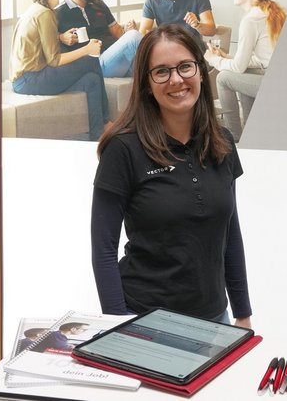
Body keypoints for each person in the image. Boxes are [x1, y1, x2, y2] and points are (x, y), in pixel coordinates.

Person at [90, 24, 252, 328]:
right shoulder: (123, 149)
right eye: (161, 71)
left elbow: (230, 234)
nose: (176, 79)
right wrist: (116, 326)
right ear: (147, 84)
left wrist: (242, 315)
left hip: (216, 319)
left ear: (201, 72)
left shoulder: (223, 143)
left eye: (185, 67)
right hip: (144, 321)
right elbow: (103, 250)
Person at [9, 0, 110, 140]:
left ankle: (97, 136)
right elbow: (54, 60)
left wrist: (60, 37)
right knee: (91, 62)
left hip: (23, 80)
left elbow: (38, 39)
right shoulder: (45, 13)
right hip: (30, 79)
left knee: (92, 81)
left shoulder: (35, 10)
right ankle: (107, 122)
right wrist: (87, 50)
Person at [204, 0, 286, 142]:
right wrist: (227, 57)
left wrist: (214, 60)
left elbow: (238, 67)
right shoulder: (273, 11)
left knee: (224, 78)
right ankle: (249, 130)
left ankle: (233, 136)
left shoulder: (251, 20)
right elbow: (262, 59)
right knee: (239, 73)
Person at [55, 0, 142, 78]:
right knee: (135, 37)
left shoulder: (99, 5)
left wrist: (127, 30)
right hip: (96, 65)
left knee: (151, 71)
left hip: (115, 60)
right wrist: (60, 37)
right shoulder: (58, 13)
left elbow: (117, 31)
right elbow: (43, 41)